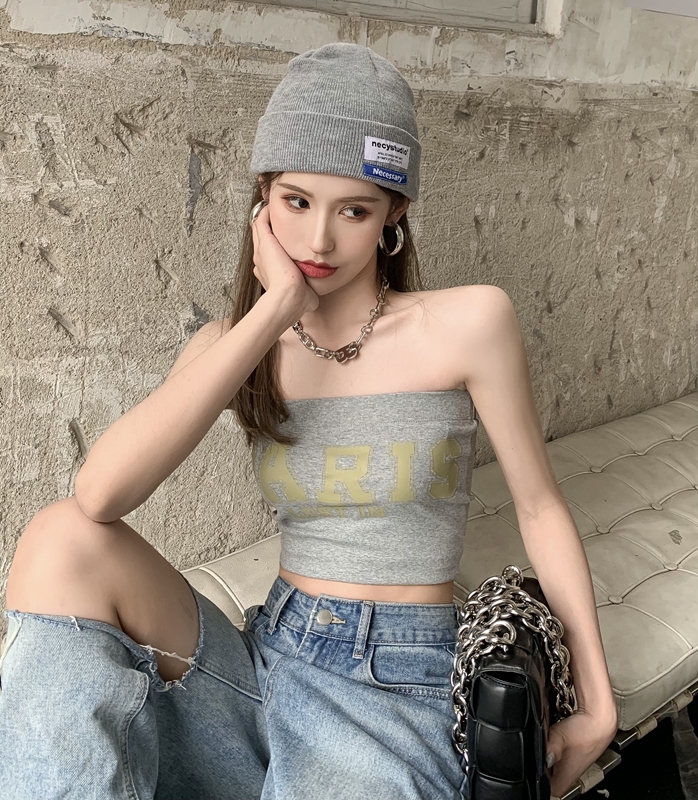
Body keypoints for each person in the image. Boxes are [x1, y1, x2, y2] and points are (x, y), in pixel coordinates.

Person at [0, 43, 617, 800]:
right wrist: (275, 312)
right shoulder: (233, 344)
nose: (320, 240)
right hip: (266, 664)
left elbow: (540, 506)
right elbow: (98, 496)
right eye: (296, 202)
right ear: (262, 200)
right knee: (58, 539)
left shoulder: (467, 324)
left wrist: (597, 705)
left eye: (353, 210)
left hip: (397, 686)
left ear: (394, 215)